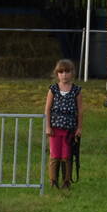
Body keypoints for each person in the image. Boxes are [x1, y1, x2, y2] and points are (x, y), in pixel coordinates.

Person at [44, 59, 83, 188]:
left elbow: (80, 110)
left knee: (67, 155)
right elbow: (47, 109)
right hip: (55, 128)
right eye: (61, 72)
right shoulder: (53, 89)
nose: (64, 75)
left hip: (69, 130)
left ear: (72, 73)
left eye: (67, 71)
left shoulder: (76, 90)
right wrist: (48, 126)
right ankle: (53, 181)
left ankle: (66, 181)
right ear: (57, 74)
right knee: (55, 154)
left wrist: (79, 128)